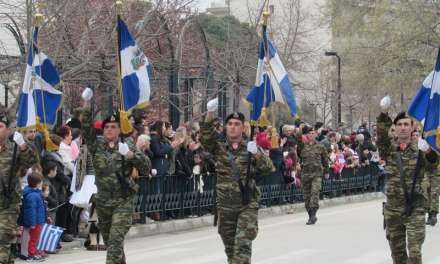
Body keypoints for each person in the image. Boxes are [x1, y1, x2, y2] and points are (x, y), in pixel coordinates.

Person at [80, 89, 151, 264]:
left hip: (123, 201)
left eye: (113, 127)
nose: (109, 130)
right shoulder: (97, 146)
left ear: (120, 129)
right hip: (103, 202)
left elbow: (146, 167)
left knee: (115, 240)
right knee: (113, 244)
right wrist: (87, 104)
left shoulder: (127, 145)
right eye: (106, 127)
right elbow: (86, 128)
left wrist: (131, 156)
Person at [200, 98, 274, 264]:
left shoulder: (250, 147)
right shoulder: (218, 146)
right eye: (230, 124)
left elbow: (269, 168)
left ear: (243, 127)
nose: (233, 127)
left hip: (246, 205)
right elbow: (205, 138)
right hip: (225, 206)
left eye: (237, 124)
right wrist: (210, 114)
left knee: (241, 249)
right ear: (226, 127)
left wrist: (256, 154)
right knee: (230, 250)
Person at [377, 98, 438, 264]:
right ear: (395, 129)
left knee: (415, 251)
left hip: (415, 207)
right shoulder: (389, 149)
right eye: (400, 125)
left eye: (406, 124)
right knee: (398, 255)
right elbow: (381, 137)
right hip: (393, 209)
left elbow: (433, 165)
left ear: (412, 128)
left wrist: (429, 151)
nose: (403, 127)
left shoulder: (420, 148)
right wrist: (383, 114)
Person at [0, 115, 39, 264]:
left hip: (8, 204)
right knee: (6, 248)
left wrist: (23, 146)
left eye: (0, 126)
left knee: (2, 237)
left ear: (8, 130)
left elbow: (32, 162)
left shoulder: (14, 149)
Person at [299, 126, 329, 225]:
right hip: (305, 174)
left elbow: (325, 160)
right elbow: (298, 154)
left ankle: (313, 215)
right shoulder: (303, 146)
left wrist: (327, 172)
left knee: (315, 193)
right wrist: (299, 130)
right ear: (307, 135)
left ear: (316, 134)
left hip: (317, 174)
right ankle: (310, 215)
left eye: (313, 133)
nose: (311, 135)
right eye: (309, 133)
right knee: (307, 196)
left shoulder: (320, 146)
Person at [19, 172, 46, 262]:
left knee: (32, 238)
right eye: (41, 181)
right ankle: (31, 254)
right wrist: (32, 223)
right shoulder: (33, 195)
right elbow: (31, 211)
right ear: (38, 183)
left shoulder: (34, 193)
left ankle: (30, 253)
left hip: (37, 220)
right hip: (35, 221)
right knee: (32, 239)